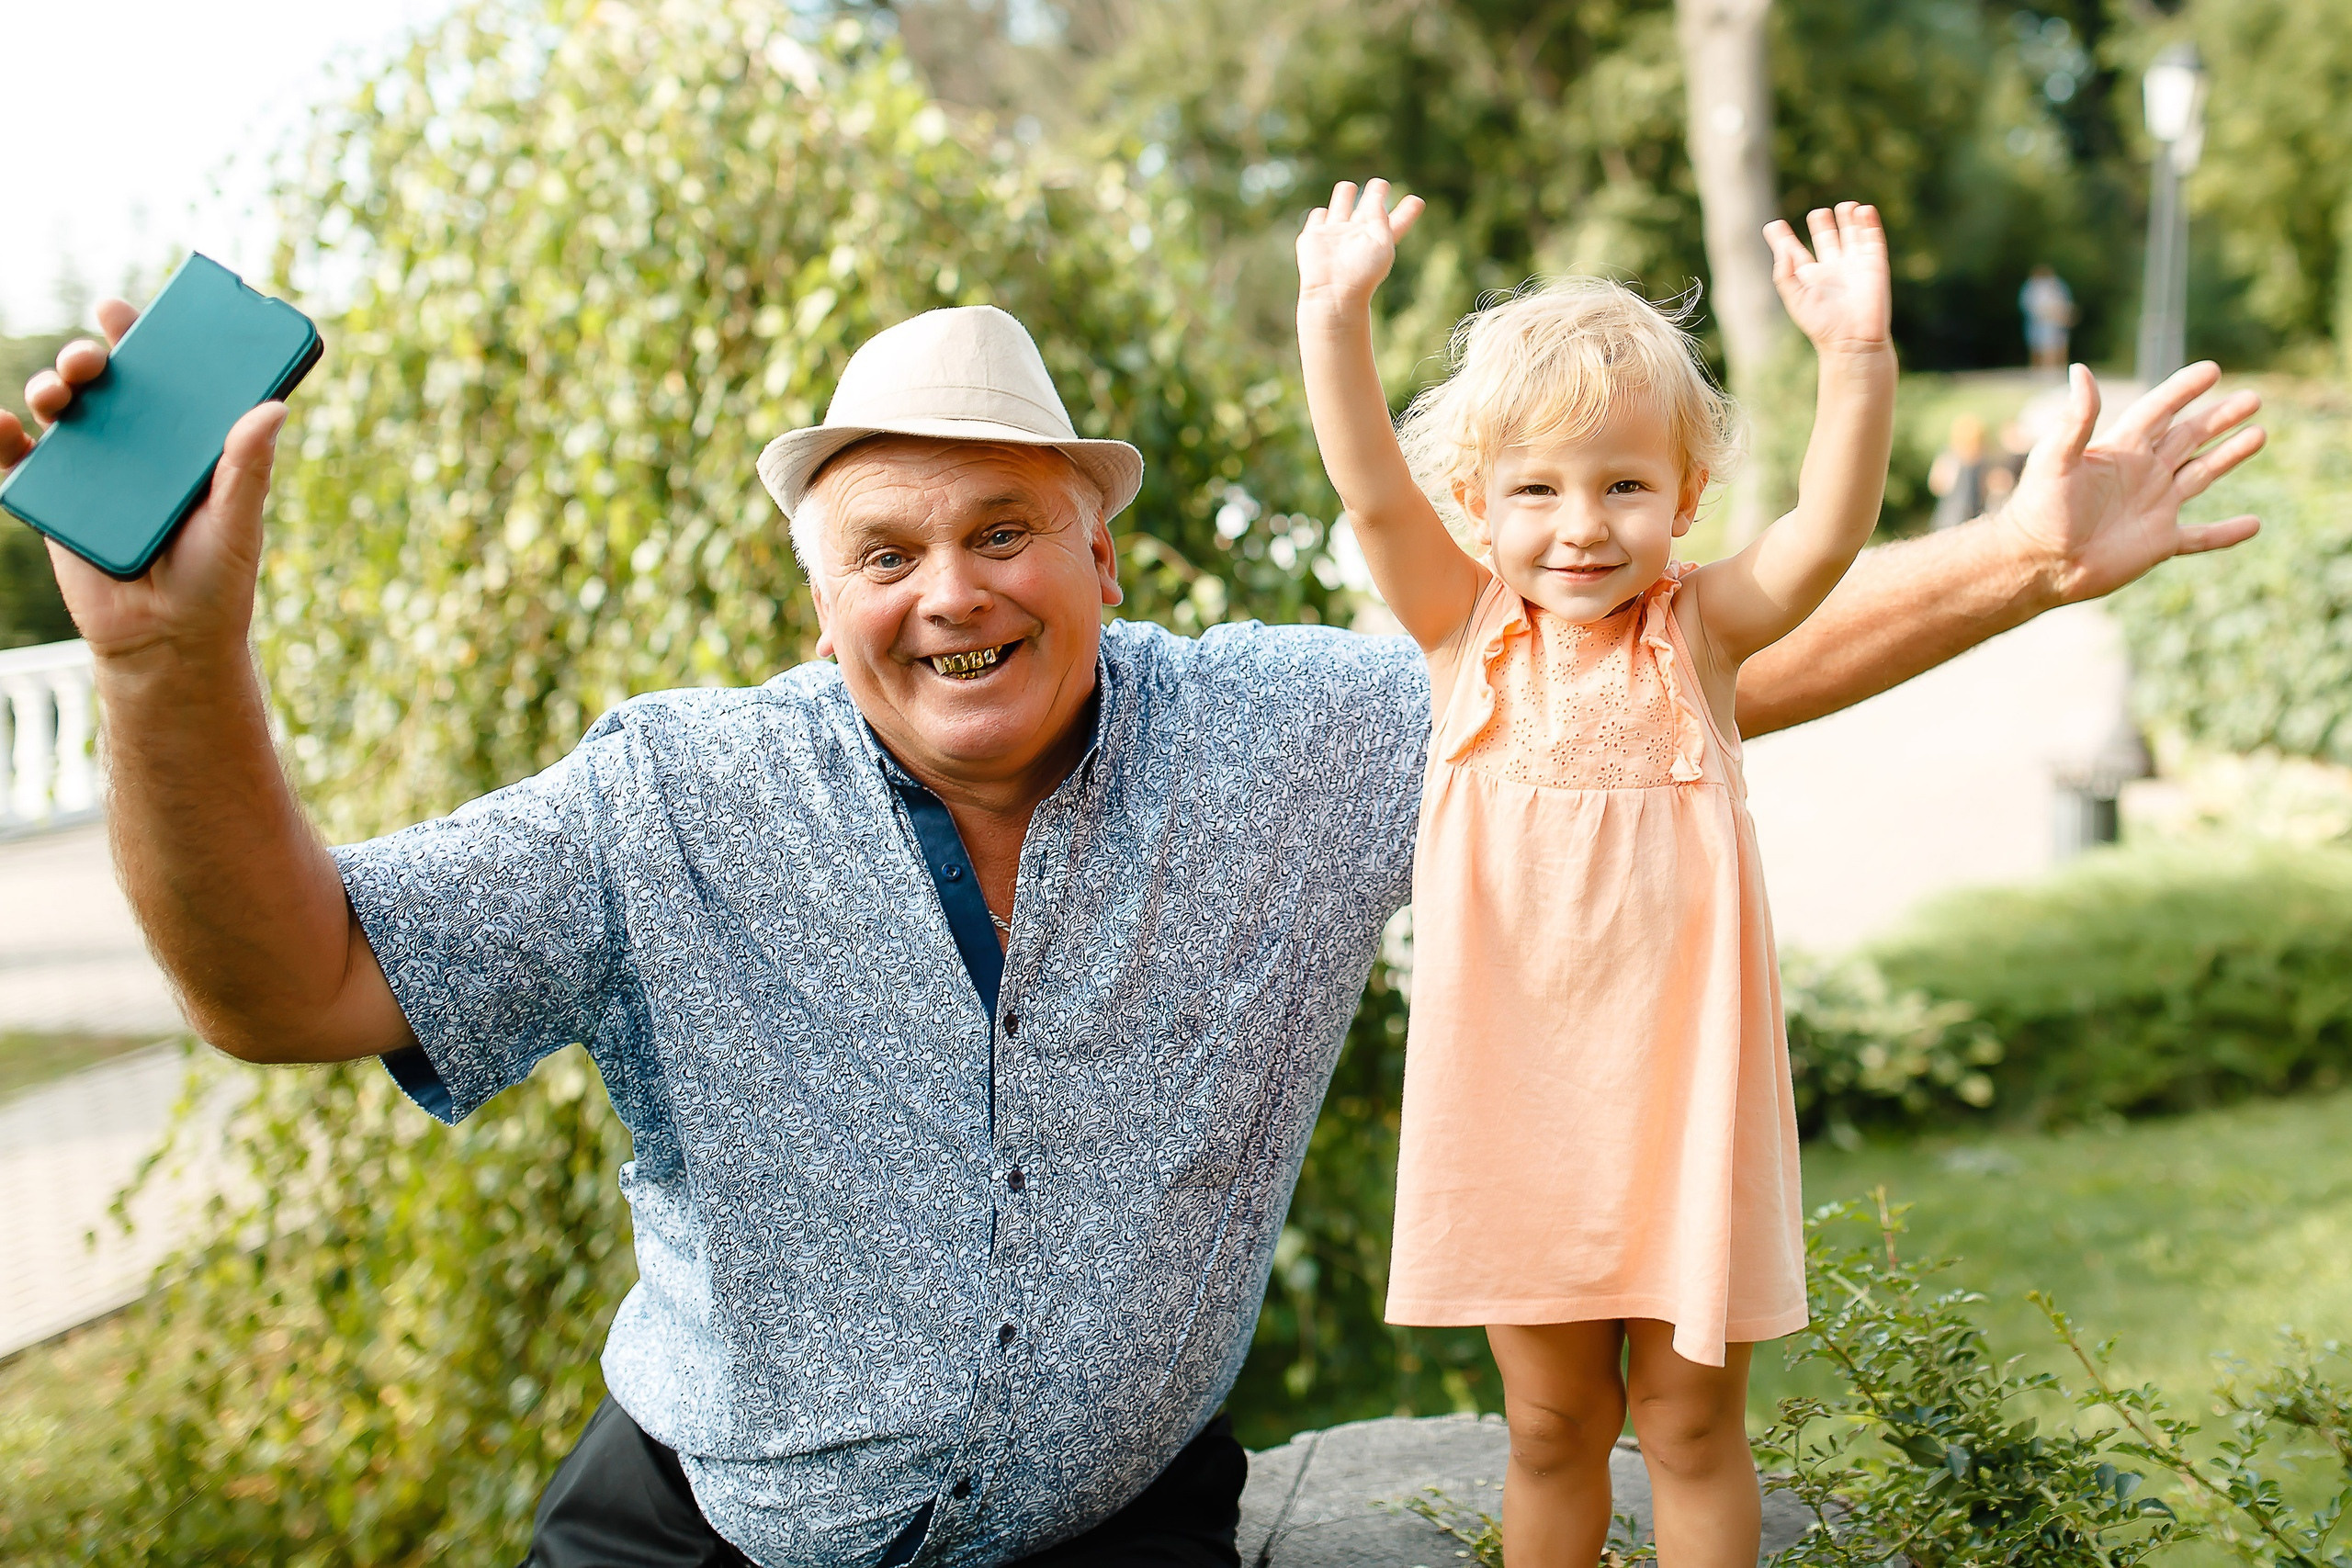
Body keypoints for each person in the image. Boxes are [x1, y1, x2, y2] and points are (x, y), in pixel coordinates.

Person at [0, 267, 2266, 1566]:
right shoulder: (663, 796)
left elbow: (1658, 673)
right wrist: (164, 661)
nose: (950, 589)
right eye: (886, 549)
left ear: (1102, 553)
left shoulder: (1288, 735)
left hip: (1124, 1543)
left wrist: (2030, 555)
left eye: (1004, 531)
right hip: (704, 1542)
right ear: (817, 600)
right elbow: (284, 984)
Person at [1297, 180, 1894, 1566]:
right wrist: (1336, 318)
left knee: (1690, 1429)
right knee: (1552, 1425)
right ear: (1478, 504)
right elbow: (1365, 484)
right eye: (1538, 489)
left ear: (1684, 495)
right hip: (1522, 1115)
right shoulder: (1464, 631)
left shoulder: (1704, 635)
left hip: (1684, 1106)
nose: (1582, 525)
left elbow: (1828, 533)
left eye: (1624, 483)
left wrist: (1857, 362)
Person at [1928, 413, 1994, 532]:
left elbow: (1936, 485)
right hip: (1959, 515)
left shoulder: (1950, 455)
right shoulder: (1951, 456)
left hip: (1956, 515)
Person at [2021, 265, 2077, 374]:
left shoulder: (2058, 286)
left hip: (2056, 321)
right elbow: (2031, 307)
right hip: (2040, 322)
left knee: (2058, 345)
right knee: (2040, 346)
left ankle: (2057, 369)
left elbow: (2065, 304)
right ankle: (2040, 370)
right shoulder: (2032, 288)